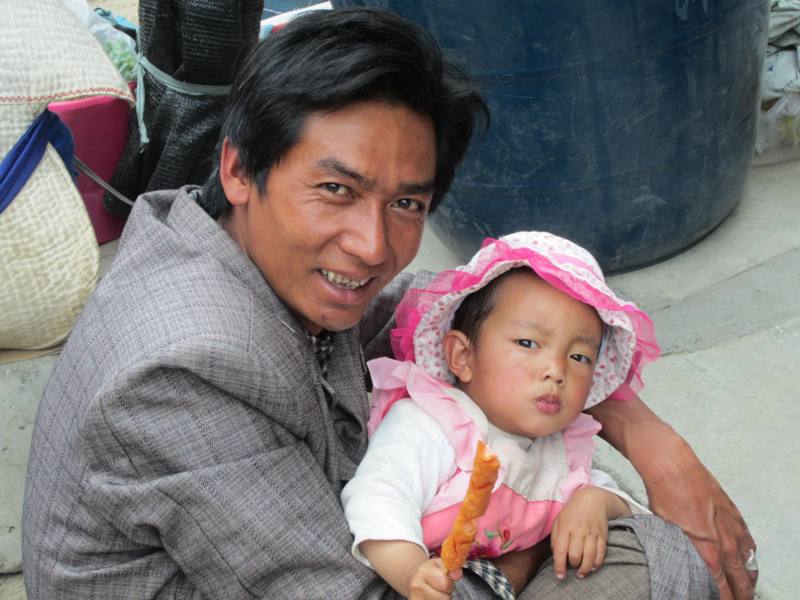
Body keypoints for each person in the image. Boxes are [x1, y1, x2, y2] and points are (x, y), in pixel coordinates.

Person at [21, 6, 757, 600]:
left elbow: (450, 309)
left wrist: (643, 430)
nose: (373, 245)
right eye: (336, 190)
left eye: (407, 202)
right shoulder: (187, 369)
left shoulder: (228, 238)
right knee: (647, 561)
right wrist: (522, 554)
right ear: (240, 167)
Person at [341, 231, 717, 599]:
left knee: (657, 551)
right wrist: (410, 572)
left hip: (503, 583)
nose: (556, 370)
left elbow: (619, 503)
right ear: (463, 356)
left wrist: (595, 503)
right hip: (410, 581)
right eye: (528, 343)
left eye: (579, 356)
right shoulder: (432, 424)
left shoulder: (558, 451)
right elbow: (378, 497)